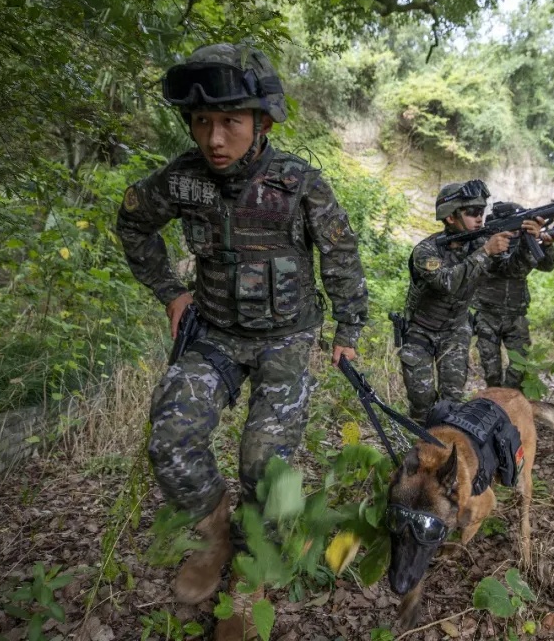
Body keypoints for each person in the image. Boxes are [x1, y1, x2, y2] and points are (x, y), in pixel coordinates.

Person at [115, 43, 368, 636]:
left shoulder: (299, 183)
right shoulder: (182, 180)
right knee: (171, 442)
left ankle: (254, 572)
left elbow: (341, 255)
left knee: (264, 464)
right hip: (215, 337)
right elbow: (132, 223)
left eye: (230, 121)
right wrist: (170, 292)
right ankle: (217, 537)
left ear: (263, 122)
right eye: (202, 122)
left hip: (285, 340)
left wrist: (348, 328)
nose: (214, 138)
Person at [397, 180, 543, 422]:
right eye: (472, 213)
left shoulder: (478, 243)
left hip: (455, 330)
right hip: (420, 332)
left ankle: (451, 451)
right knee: (421, 403)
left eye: (481, 212)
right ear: (450, 217)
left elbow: (511, 270)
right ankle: (421, 451)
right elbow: (447, 283)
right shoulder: (427, 250)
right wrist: (485, 252)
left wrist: (528, 243)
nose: (479, 218)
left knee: (451, 403)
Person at [471, 201, 554, 389]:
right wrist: (527, 242)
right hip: (488, 315)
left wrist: (546, 245)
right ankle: (494, 409)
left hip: (516, 315)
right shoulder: (484, 243)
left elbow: (546, 266)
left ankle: (513, 408)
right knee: (492, 373)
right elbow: (510, 268)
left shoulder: (520, 240)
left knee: (519, 370)